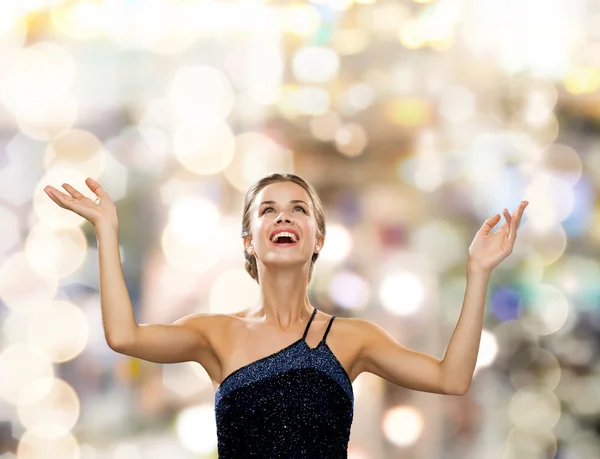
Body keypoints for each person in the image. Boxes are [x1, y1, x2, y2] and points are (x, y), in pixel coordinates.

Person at [44, 173, 528, 458]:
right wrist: (107, 229)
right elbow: (123, 336)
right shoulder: (217, 331)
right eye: (268, 210)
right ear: (248, 240)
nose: (282, 217)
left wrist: (478, 271)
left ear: (318, 238)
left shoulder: (353, 338)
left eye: (298, 209)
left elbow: (452, 378)